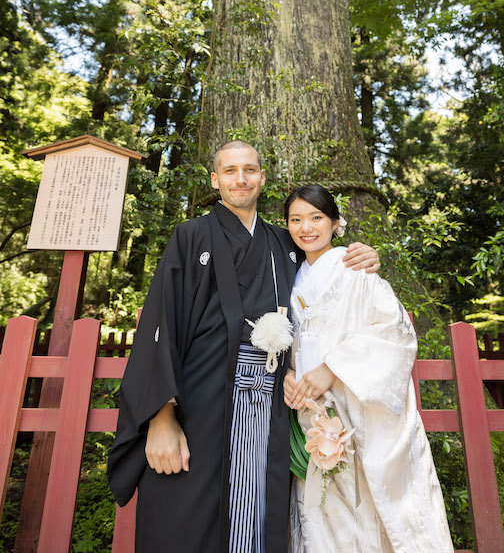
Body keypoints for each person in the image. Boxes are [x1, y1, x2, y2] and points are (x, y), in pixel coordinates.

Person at [107, 142, 380, 553]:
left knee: (256, 517)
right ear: (215, 179)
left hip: (266, 406)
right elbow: (159, 327)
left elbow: (324, 294)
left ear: (262, 178)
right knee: (184, 515)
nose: (241, 179)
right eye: (230, 171)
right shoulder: (189, 236)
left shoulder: (283, 244)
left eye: (249, 170)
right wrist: (161, 416)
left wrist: (363, 257)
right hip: (197, 404)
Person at [283, 184, 454, 553]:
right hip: (309, 411)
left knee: (369, 505)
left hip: (358, 407)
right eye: (296, 219)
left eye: (316, 217)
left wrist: (332, 369)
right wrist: (288, 373)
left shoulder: (355, 269)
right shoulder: (288, 278)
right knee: (321, 511)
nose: (306, 228)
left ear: (335, 223)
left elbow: (394, 332)